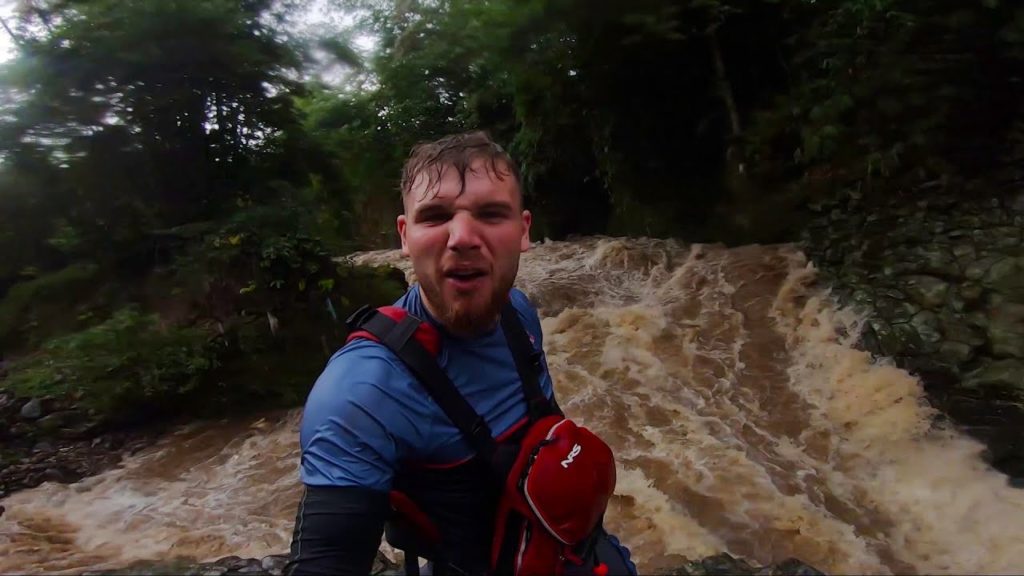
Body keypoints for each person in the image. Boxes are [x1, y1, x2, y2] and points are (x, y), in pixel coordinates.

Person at [284, 131, 635, 576]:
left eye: (491, 213)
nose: (463, 237)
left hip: (574, 549)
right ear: (405, 236)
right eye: (435, 216)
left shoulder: (518, 313)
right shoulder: (358, 395)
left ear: (524, 231)